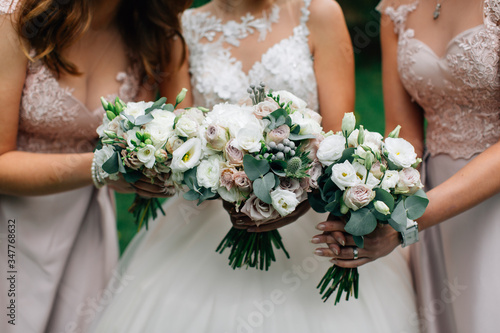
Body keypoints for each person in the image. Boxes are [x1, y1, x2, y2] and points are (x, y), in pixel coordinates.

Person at [90, 0, 419, 332]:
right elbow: (180, 138)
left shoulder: (319, 13)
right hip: (209, 215)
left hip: (304, 208)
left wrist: (292, 202)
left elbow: (337, 137)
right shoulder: (183, 28)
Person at [0, 0, 191, 332]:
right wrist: (104, 166)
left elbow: (188, 139)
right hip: (11, 225)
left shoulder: (157, 31)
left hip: (86, 227)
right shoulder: (17, 19)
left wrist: (157, 169)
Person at [314, 0, 500, 332]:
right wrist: (368, 206)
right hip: (431, 202)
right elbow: (405, 138)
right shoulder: (396, 9)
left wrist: (408, 223)